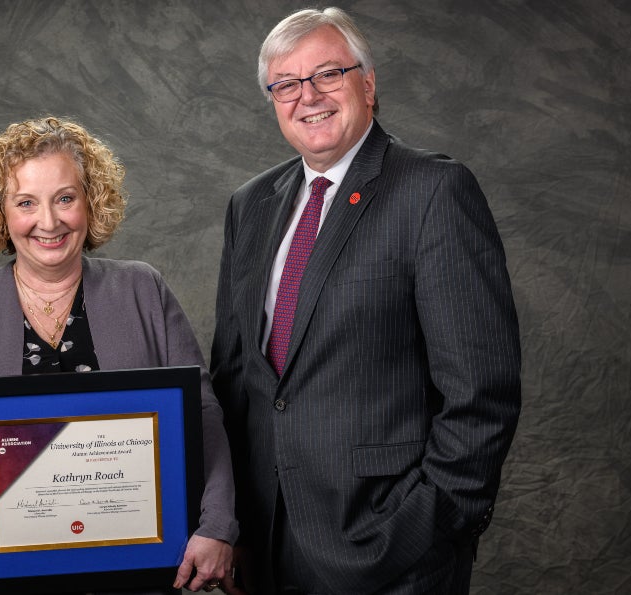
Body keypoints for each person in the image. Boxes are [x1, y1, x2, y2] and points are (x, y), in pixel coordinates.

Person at [210, 7, 522, 594]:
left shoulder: (433, 191)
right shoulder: (249, 205)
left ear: (368, 83)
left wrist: (425, 527)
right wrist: (232, 526)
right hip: (267, 546)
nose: (309, 97)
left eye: (329, 73)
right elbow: (234, 379)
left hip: (393, 550)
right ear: (273, 99)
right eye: (287, 84)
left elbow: (483, 393)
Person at [0, 116, 239, 595]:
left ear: (91, 203)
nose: (48, 222)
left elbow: (202, 416)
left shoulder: (143, 289)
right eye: (26, 202)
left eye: (65, 198)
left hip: (136, 574)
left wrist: (217, 524)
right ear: (1, 212)